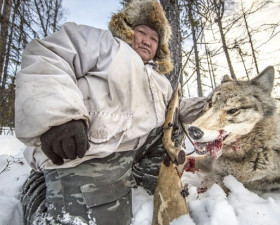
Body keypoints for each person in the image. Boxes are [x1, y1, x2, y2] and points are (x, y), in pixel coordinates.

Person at [16, 0, 207, 224]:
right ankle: (40, 186)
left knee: (170, 122)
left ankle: (142, 181)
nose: (147, 40)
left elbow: (175, 109)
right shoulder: (103, 43)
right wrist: (60, 117)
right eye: (142, 32)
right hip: (83, 151)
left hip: (129, 153)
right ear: (127, 31)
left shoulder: (160, 80)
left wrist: (216, 105)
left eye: (154, 38)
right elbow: (47, 55)